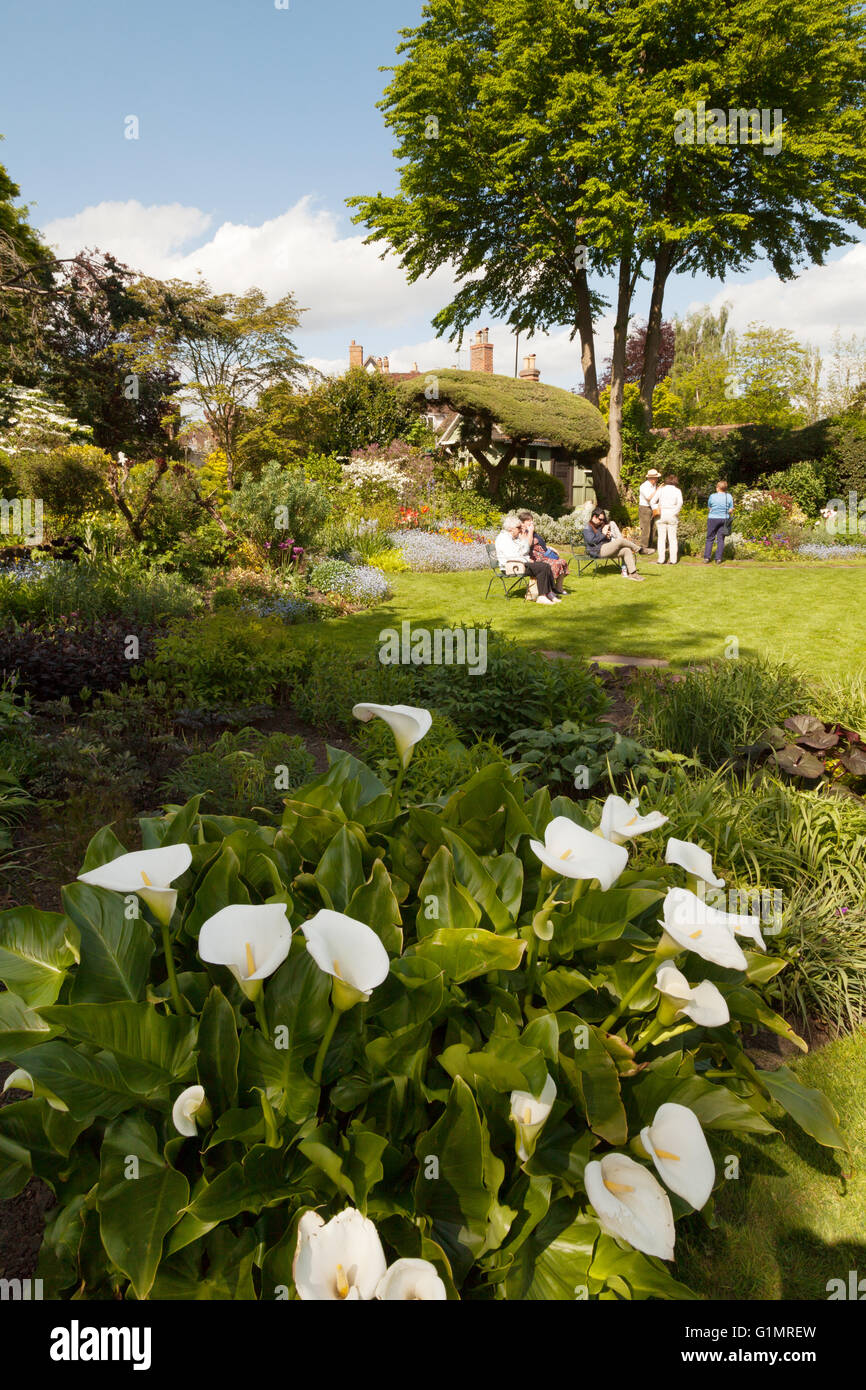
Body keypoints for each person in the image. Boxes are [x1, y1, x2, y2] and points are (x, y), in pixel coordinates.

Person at [494, 514, 561, 604]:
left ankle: (549, 593)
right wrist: (527, 560)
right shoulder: (504, 539)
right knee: (542, 567)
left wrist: (523, 540)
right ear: (511, 529)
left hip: (518, 563)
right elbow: (512, 557)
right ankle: (542, 596)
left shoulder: (513, 537)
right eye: (518, 528)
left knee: (546, 566)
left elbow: (524, 550)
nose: (520, 530)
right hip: (511, 567)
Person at [583, 507, 645, 581]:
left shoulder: (599, 526)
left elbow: (602, 539)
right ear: (594, 517)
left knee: (626, 550)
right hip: (596, 551)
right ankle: (639, 549)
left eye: (603, 519)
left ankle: (633, 574)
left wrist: (607, 537)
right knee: (620, 541)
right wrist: (603, 534)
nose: (602, 521)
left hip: (604, 549)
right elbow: (591, 541)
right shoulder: (587, 528)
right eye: (600, 519)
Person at [517, 510, 569, 594]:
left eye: (532, 520)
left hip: (543, 556)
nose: (532, 522)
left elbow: (538, 544)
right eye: (529, 520)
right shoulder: (521, 533)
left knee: (562, 561)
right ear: (522, 523)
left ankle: (558, 587)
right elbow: (528, 545)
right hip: (534, 558)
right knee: (555, 564)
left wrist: (550, 547)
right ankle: (549, 588)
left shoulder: (533, 532)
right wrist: (530, 531)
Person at [655, 474, 684, 564]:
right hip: (672, 514)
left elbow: (652, 501)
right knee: (672, 538)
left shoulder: (661, 490)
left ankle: (661, 559)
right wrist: (675, 512)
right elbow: (680, 503)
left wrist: (657, 508)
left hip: (662, 514)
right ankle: (673, 560)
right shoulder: (677, 491)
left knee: (661, 538)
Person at [704, 481, 734, 564]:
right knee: (721, 539)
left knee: (710, 538)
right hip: (724, 519)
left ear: (717, 488)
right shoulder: (729, 496)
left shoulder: (712, 496)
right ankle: (718, 559)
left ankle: (707, 558)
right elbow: (731, 510)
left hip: (713, 518)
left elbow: (709, 507)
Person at [638, 468, 662, 554]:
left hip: (652, 508)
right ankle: (643, 548)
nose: (657, 479)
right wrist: (658, 490)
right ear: (651, 478)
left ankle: (650, 546)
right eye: (656, 477)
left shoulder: (654, 485)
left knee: (653, 528)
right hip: (645, 508)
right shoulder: (644, 486)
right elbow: (649, 497)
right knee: (646, 528)